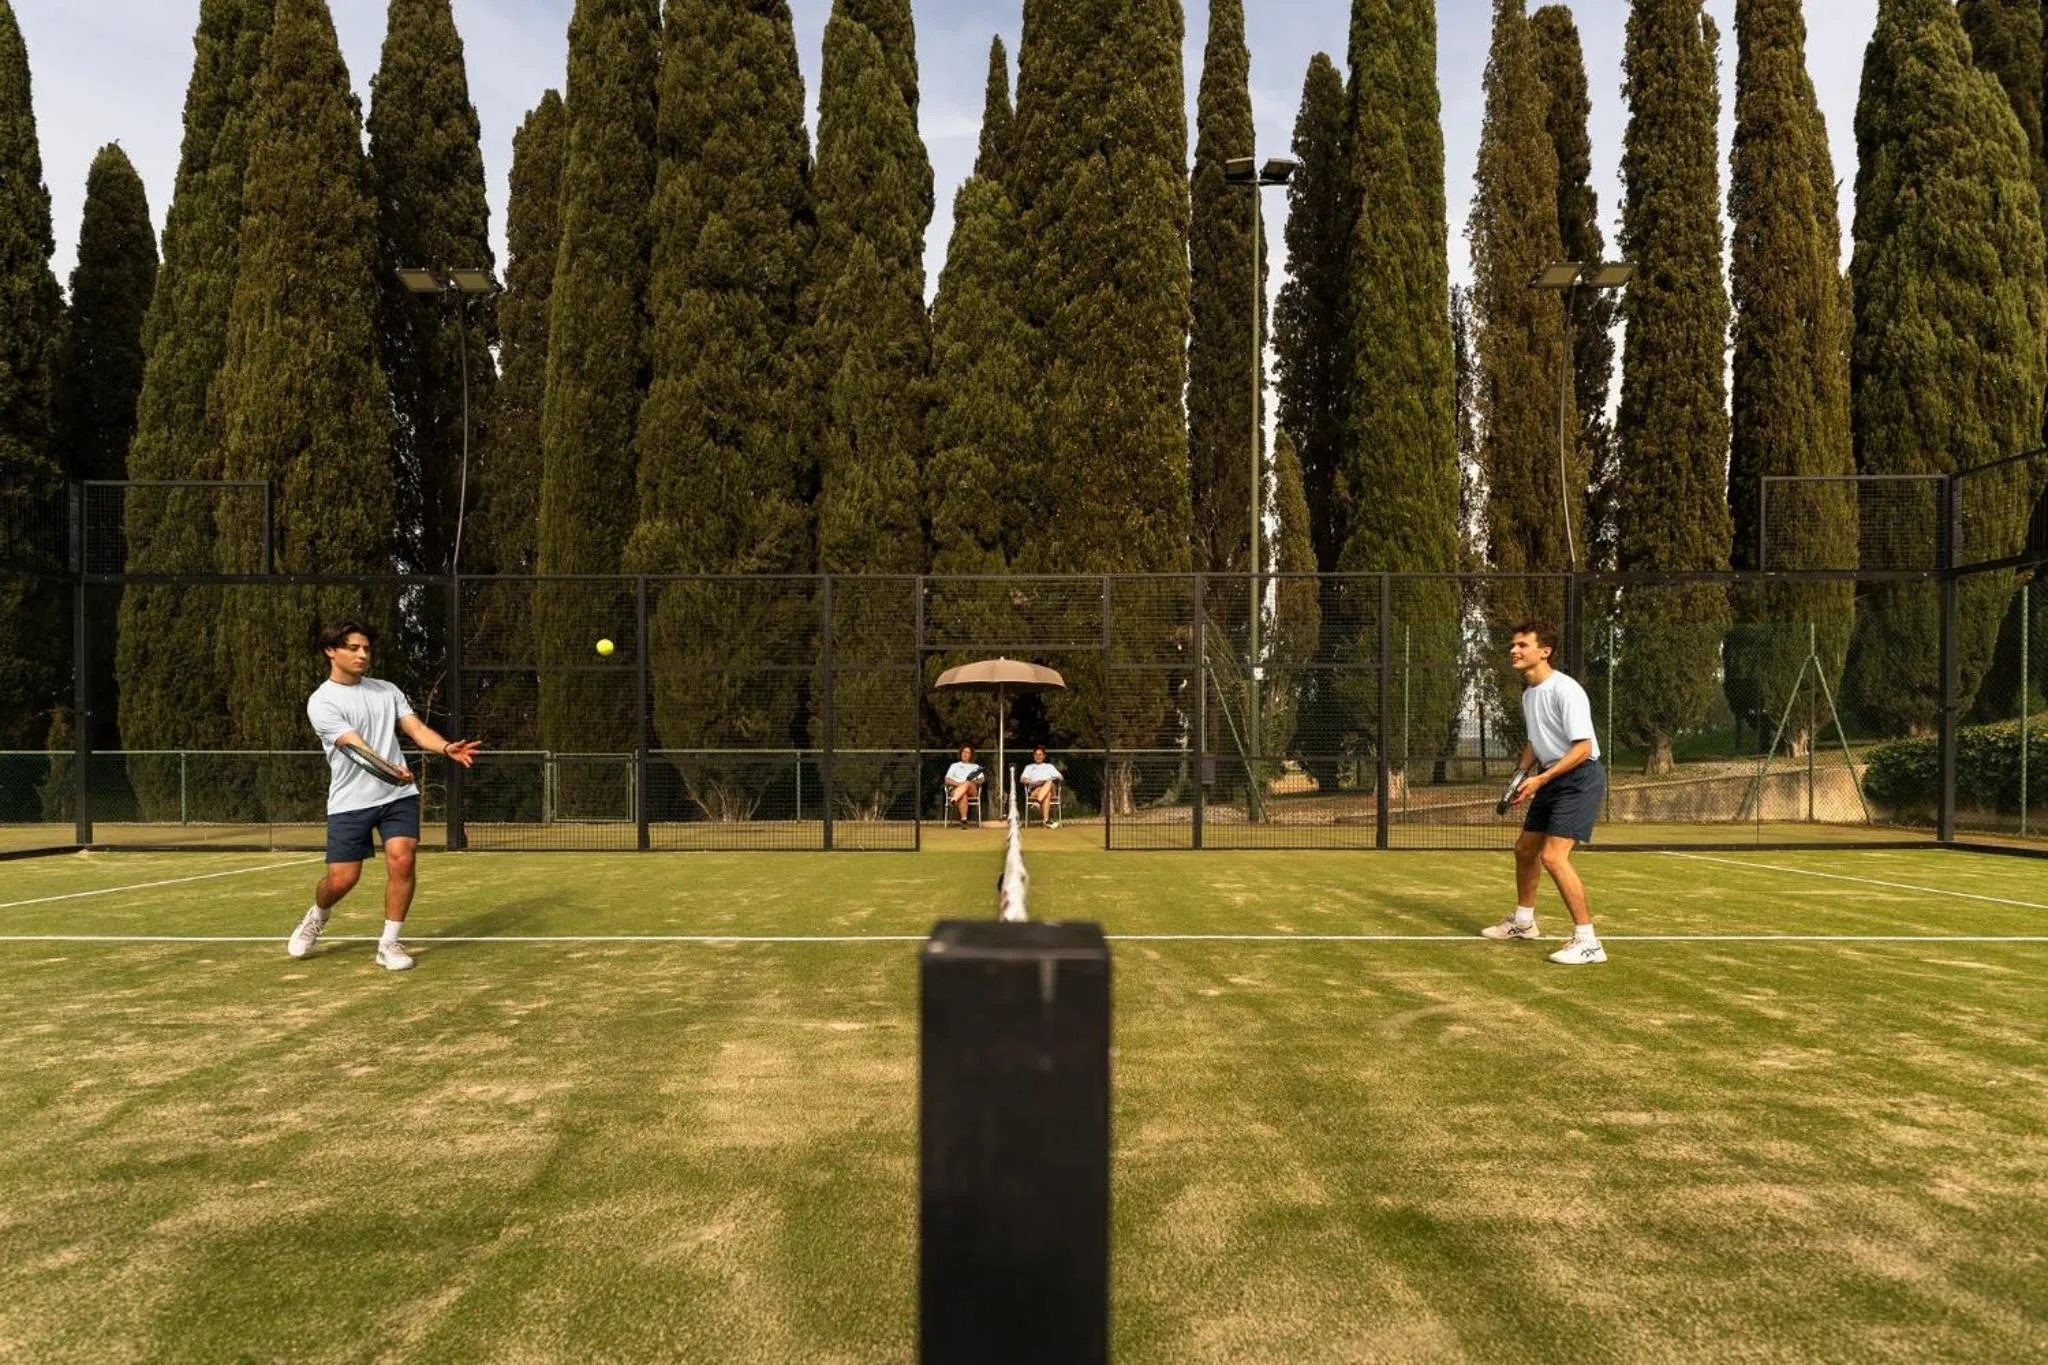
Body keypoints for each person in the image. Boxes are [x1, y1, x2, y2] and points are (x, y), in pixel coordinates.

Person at [288, 620, 478, 971]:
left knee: (403, 858)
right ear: (331, 651)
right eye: (353, 648)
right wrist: (390, 769)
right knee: (342, 879)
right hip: (350, 801)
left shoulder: (386, 690)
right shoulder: (322, 701)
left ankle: (389, 943)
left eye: (367, 649)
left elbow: (416, 729)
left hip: (398, 795)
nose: (363, 655)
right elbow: (354, 747)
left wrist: (446, 746)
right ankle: (318, 914)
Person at [1482, 619, 1609, 965]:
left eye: (1523, 645)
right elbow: (1535, 742)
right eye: (1513, 645)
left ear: (1545, 651)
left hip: (1579, 777)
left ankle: (1588, 942)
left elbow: (1582, 748)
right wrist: (1521, 776)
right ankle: (1523, 923)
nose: (1514, 650)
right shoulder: (1529, 694)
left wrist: (1540, 780)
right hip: (1549, 776)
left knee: (1554, 857)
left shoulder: (1565, 690)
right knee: (1525, 849)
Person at [1019, 746, 1063, 828]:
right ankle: (1046, 821)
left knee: (1049, 782)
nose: (1038, 756)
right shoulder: (1029, 767)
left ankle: (1038, 802)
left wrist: (1047, 781)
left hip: (1051, 787)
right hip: (1036, 790)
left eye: (1040, 754)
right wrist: (1033, 782)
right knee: (1047, 793)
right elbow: (1022, 780)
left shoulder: (1049, 766)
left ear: (1044, 756)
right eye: (1036, 754)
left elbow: (1060, 777)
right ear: (1033, 756)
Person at [944, 744, 985, 828]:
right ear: (960, 753)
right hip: (956, 789)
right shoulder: (954, 765)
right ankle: (964, 820)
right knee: (963, 795)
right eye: (963, 752)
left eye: (968, 752)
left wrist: (973, 782)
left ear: (971, 755)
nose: (965, 754)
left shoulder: (976, 767)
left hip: (972, 789)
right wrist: (960, 785)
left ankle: (954, 799)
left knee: (967, 782)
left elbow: (982, 780)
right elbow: (947, 780)